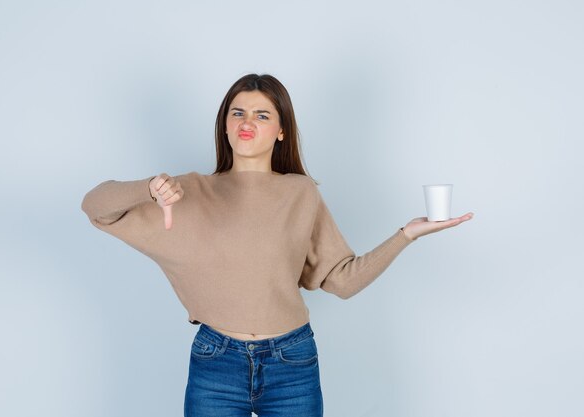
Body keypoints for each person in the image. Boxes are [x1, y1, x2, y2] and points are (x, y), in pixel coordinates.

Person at [81, 73, 473, 417]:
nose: (247, 122)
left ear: (281, 130)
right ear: (225, 126)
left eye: (262, 114)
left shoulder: (301, 193)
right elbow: (95, 207)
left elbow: (342, 280)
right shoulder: (188, 193)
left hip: (293, 362)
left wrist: (405, 235)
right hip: (216, 362)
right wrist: (149, 188)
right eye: (237, 113)